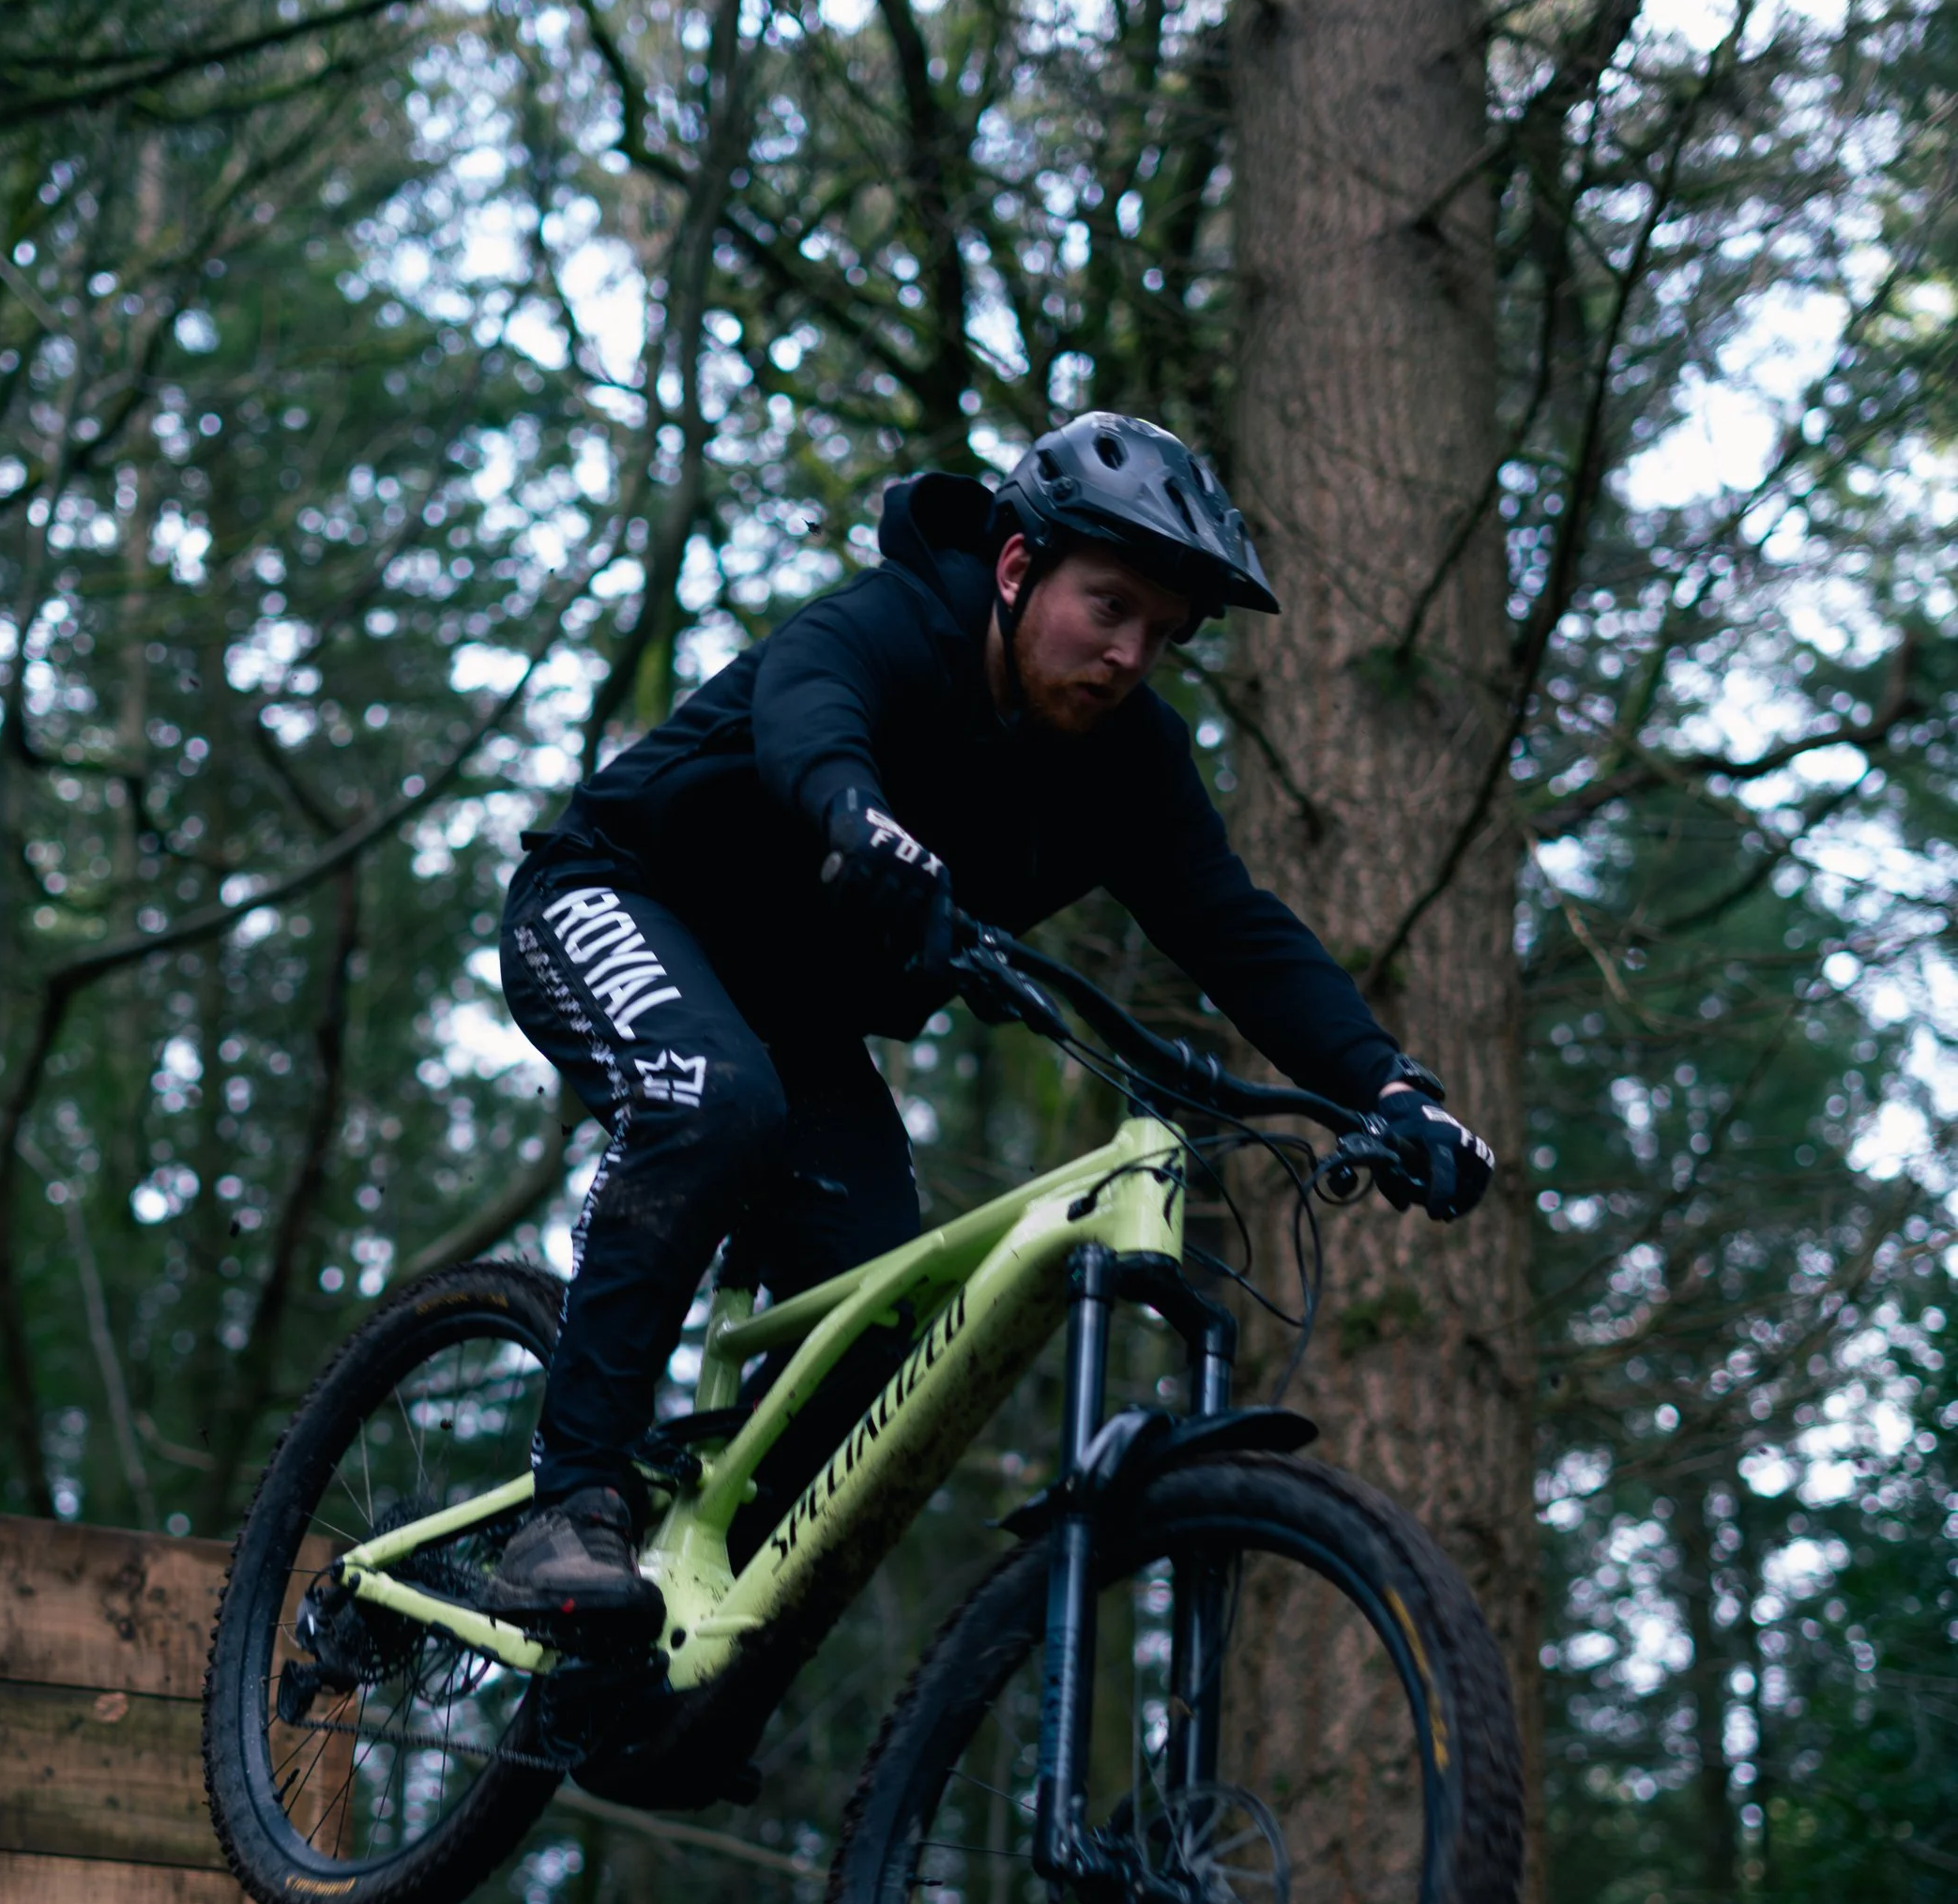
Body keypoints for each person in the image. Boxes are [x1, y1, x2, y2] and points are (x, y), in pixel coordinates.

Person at [488, 414, 1493, 1640]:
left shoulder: (1131, 761)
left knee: (879, 1300)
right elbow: (811, 712)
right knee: (710, 1099)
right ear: (1018, 570)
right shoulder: (898, 623)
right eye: (1107, 607)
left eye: (1162, 634)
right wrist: (857, 819)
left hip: (791, 1016)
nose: (1129, 654)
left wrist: (1389, 1086)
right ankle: (568, 1498)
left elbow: (1238, 931)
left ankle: (694, 1622)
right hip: (616, 894)